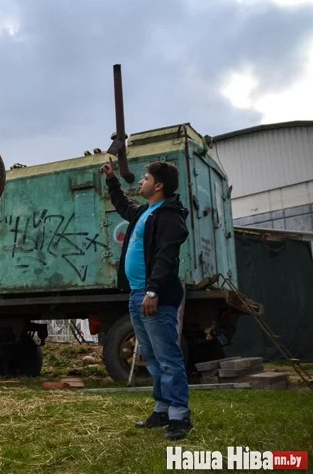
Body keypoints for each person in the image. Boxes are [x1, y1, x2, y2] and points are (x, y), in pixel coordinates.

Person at [100, 157, 192, 441]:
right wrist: (112, 179)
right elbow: (124, 206)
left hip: (156, 296)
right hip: (138, 295)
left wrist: (153, 291)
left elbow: (166, 257)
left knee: (167, 357)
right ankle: (162, 409)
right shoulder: (146, 212)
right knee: (151, 356)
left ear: (159, 185)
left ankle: (180, 416)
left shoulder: (169, 216)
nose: (141, 181)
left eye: (146, 178)